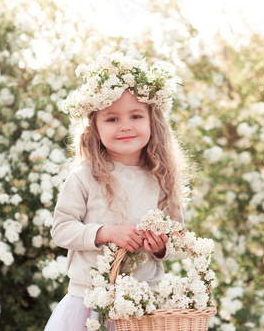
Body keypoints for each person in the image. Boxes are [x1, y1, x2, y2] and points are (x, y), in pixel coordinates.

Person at [44, 47, 188, 331]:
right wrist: (104, 232)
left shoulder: (161, 178)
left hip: (144, 304)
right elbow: (61, 229)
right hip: (89, 303)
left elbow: (177, 236)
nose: (125, 126)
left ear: (152, 122)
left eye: (136, 116)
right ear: (95, 128)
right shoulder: (85, 176)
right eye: (112, 118)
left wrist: (160, 247)